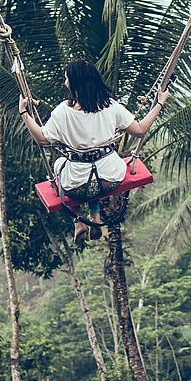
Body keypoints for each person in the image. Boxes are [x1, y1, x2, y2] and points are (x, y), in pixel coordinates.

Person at [20, 58, 169, 245]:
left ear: (74, 83)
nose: (65, 80)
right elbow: (139, 130)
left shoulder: (63, 112)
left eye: (67, 77)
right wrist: (159, 104)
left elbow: (41, 138)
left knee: (60, 165)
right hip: (110, 180)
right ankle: (95, 217)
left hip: (77, 186)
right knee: (97, 174)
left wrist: (24, 113)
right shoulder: (110, 106)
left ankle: (78, 220)